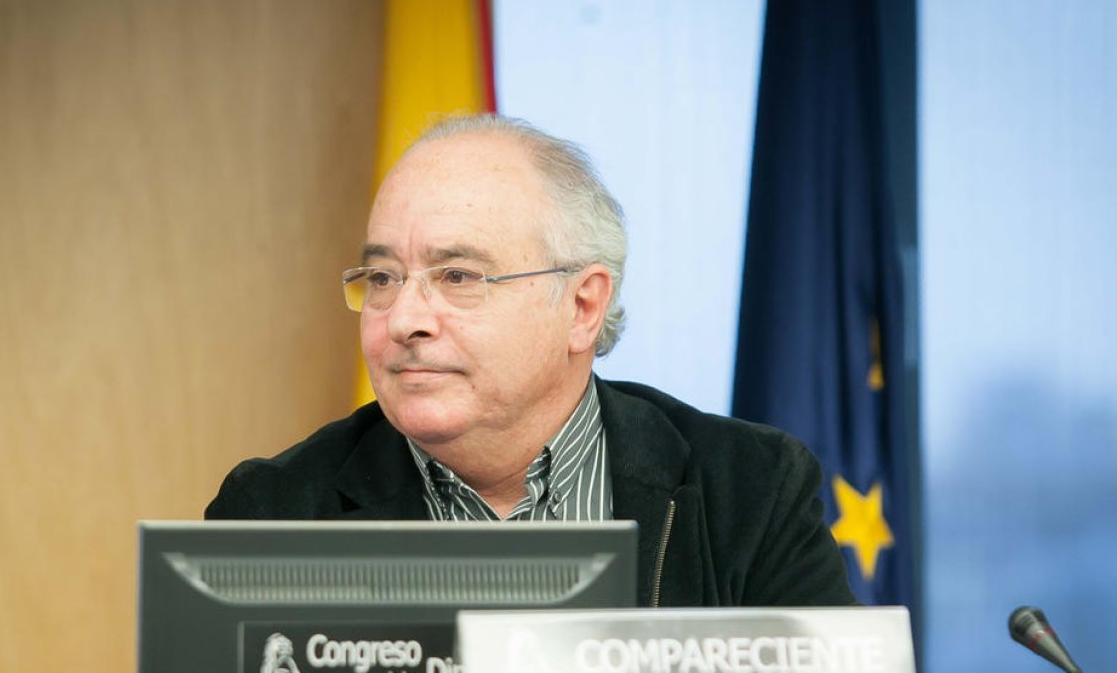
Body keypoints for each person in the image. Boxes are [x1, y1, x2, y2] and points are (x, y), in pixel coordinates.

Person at [206, 114, 855, 608]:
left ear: (581, 305)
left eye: (458, 276)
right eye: (382, 277)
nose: (404, 319)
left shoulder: (751, 489)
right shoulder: (272, 511)